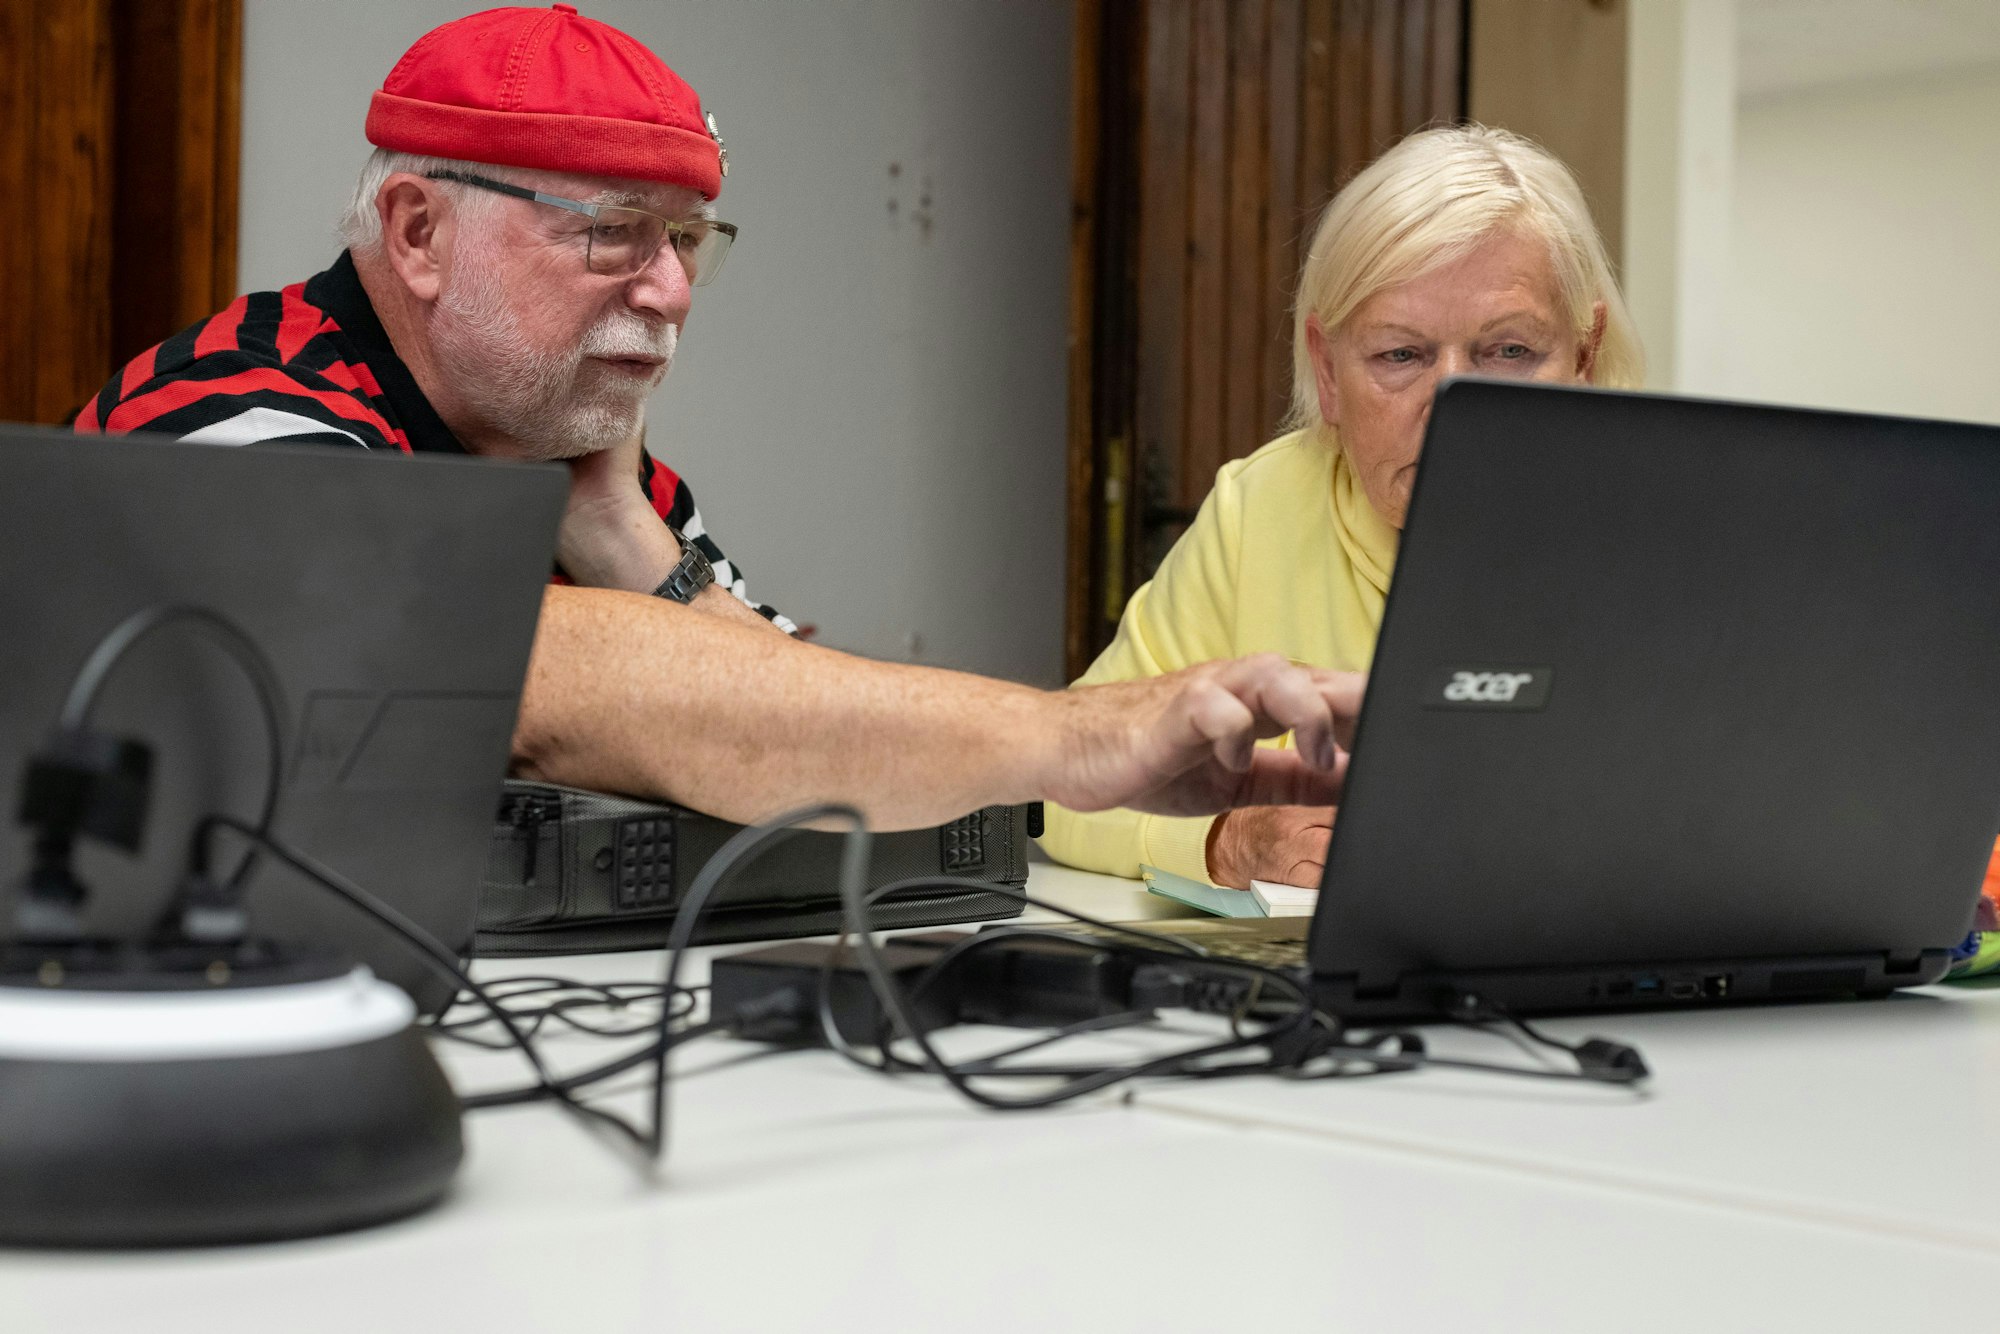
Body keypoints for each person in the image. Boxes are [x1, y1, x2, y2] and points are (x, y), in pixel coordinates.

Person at [71, 3, 1364, 833]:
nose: (676, 291)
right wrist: (1076, 734)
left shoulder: (582, 468)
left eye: (689, 239)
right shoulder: (237, 411)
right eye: (614, 236)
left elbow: (779, 717)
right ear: (419, 232)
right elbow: (526, 681)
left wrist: (636, 537)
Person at [1039, 124, 1644, 887]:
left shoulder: (1670, 526)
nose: (1452, 402)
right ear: (1327, 371)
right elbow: (1072, 779)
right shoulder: (1258, 513)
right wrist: (1228, 841)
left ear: (1584, 357)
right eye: (1400, 355)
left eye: (1510, 352)